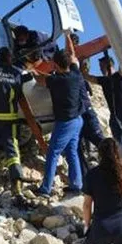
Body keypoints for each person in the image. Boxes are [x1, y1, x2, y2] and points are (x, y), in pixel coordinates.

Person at [0, 47, 42, 207]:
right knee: (12, 151)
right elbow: (26, 81)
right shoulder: (16, 73)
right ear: (9, 57)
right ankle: (16, 184)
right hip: (9, 121)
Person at [31, 31, 84, 197]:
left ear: (55, 64)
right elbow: (73, 54)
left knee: (53, 152)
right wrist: (68, 35)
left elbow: (39, 79)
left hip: (66, 122)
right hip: (77, 120)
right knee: (72, 152)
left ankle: (46, 188)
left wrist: (30, 68)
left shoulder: (56, 81)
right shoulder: (76, 74)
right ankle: (77, 184)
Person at [78, 138, 122, 244]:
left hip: (101, 228)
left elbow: (86, 205)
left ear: (100, 154)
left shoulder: (92, 175)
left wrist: (87, 226)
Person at [82, 55, 122, 169]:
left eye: (101, 66)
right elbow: (89, 77)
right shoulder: (104, 80)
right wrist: (83, 69)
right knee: (118, 141)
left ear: (109, 65)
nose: (100, 69)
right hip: (114, 114)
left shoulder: (119, 75)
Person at [67, 33, 105, 176]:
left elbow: (72, 55)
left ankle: (117, 167)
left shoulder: (75, 71)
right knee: (76, 146)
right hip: (79, 113)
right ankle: (84, 179)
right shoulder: (74, 73)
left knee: (99, 143)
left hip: (84, 112)